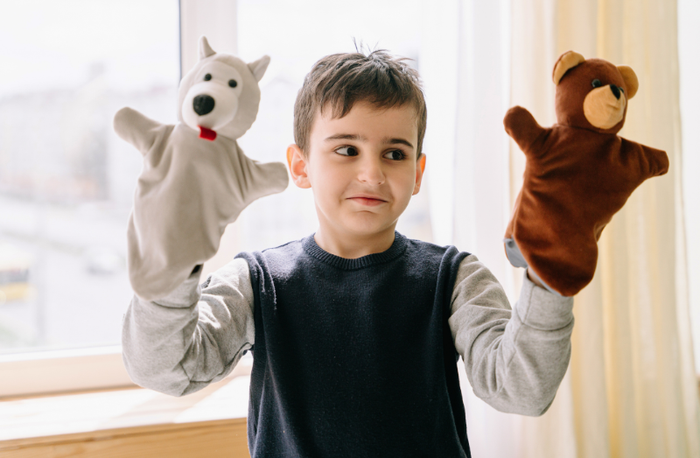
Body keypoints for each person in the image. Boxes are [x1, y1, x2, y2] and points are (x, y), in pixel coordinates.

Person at [122, 49, 574, 458]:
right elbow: (165, 368)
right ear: (301, 166)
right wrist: (170, 265)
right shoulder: (257, 281)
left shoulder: (456, 278)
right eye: (346, 149)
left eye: (394, 154)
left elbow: (522, 390)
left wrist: (552, 272)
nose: (372, 173)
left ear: (418, 174)